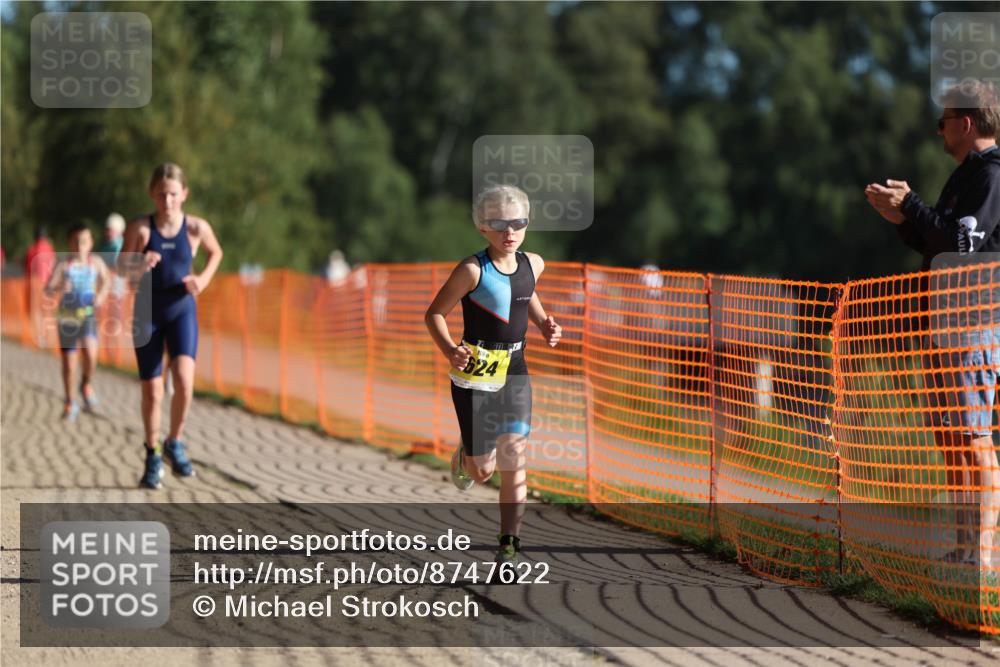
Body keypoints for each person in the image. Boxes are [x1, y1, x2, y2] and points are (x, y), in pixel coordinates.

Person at [865, 80, 1000, 567]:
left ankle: (983, 552)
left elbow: (962, 250)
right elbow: (937, 243)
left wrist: (912, 206)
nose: (938, 130)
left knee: (974, 437)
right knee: (950, 436)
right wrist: (903, 220)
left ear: (965, 124)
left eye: (943, 121)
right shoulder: (965, 176)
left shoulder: (990, 177)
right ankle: (965, 545)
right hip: (944, 322)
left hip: (972, 322)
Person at [425, 185, 562, 567]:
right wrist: (451, 349)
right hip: (474, 376)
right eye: (499, 223)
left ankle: (509, 544)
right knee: (482, 471)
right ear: (482, 226)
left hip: (515, 369)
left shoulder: (533, 264)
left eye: (518, 222)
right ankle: (467, 455)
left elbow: (525, 294)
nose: (510, 231)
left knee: (514, 453)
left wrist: (544, 324)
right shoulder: (472, 270)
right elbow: (434, 314)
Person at [120, 163, 223, 489]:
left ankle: (174, 441)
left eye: (173, 194)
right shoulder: (141, 228)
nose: (167, 201)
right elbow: (122, 269)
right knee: (152, 390)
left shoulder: (195, 228)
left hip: (181, 310)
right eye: (161, 194)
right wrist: (140, 263)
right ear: (152, 194)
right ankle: (152, 455)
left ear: (184, 194)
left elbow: (216, 252)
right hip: (148, 311)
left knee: (183, 380)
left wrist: (203, 279)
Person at [44, 224, 112, 421]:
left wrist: (100, 295)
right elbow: (48, 288)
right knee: (69, 363)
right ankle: (70, 401)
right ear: (69, 243)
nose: (79, 245)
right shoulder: (63, 265)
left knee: (91, 355)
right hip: (67, 316)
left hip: (88, 314)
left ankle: (85, 384)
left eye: (83, 241)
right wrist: (58, 287)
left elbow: (106, 281)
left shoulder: (96, 262)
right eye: (75, 241)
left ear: (90, 243)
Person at [25, 225, 56, 346]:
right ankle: (48, 337)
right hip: (48, 284)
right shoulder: (49, 248)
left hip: (34, 285)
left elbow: (28, 268)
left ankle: (39, 337)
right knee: (47, 312)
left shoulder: (32, 249)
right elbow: (52, 265)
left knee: (36, 312)